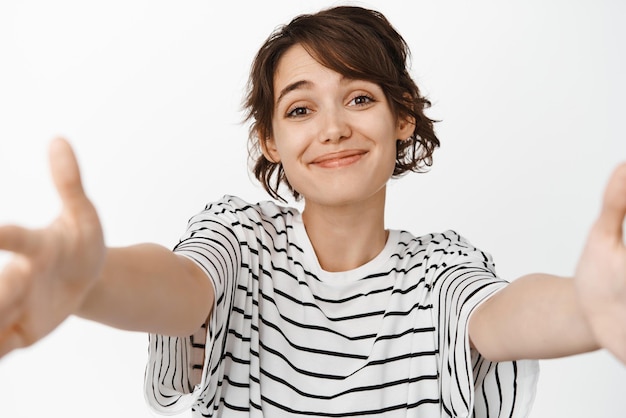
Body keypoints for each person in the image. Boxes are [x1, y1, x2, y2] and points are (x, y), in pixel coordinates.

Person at [0, 5, 624, 418]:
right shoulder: (240, 239)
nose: (332, 129)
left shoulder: (441, 268)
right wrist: (92, 282)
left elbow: (502, 315)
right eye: (300, 109)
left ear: (402, 118)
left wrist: (589, 308)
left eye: (358, 97)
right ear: (271, 139)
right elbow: (177, 285)